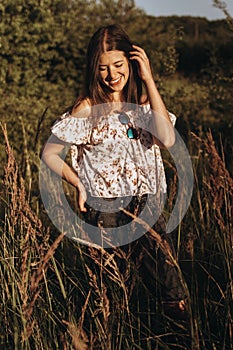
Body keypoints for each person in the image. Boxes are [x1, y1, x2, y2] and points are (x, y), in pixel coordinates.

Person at [42, 24, 189, 319]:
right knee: (108, 294)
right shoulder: (87, 107)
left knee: (171, 292)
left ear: (132, 63)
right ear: (93, 70)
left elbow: (168, 139)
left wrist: (148, 79)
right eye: (103, 68)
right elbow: (50, 153)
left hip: (147, 204)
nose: (112, 75)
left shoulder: (145, 105)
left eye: (119, 65)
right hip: (103, 209)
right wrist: (78, 183)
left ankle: (178, 338)